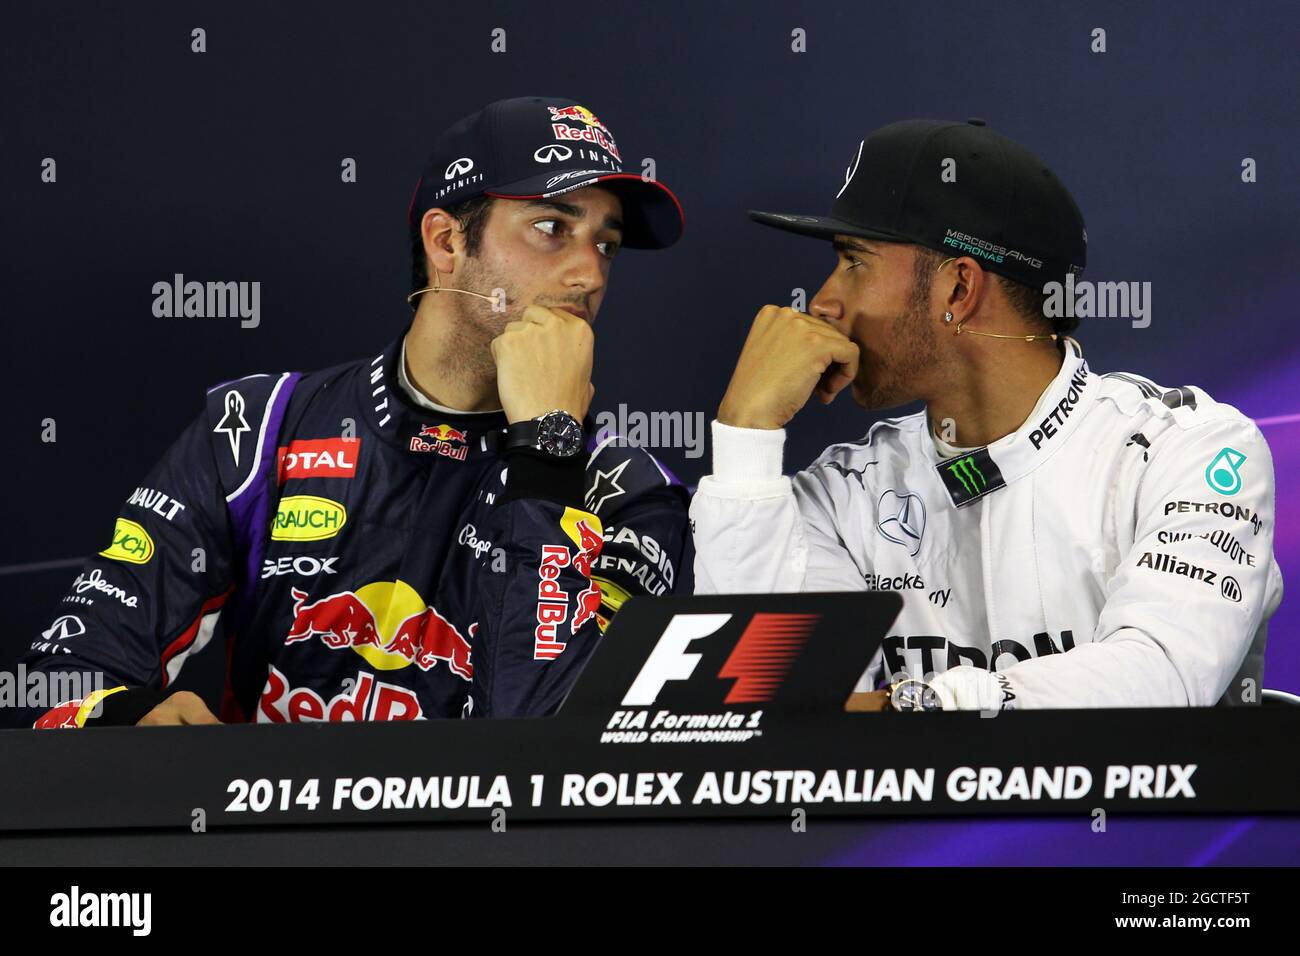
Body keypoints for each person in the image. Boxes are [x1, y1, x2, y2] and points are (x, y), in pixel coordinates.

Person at [16, 96, 689, 728]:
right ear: (447, 243)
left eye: (606, 243)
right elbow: (68, 678)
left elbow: (552, 748)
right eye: (552, 227)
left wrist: (547, 453)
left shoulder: (628, 492)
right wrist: (130, 720)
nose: (591, 275)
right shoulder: (258, 429)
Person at [690, 118, 1283, 711]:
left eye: (854, 260)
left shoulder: (1190, 451)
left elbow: (1159, 680)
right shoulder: (843, 493)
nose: (822, 300)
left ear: (958, 289)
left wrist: (913, 705)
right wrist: (746, 434)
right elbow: (767, 721)